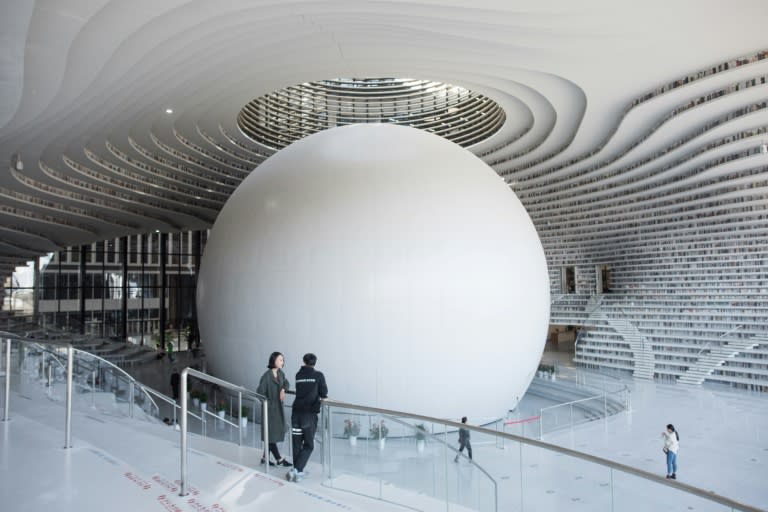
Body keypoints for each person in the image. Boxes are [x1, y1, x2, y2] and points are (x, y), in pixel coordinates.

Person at [286, 353, 328, 483]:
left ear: (304, 361)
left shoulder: (298, 375)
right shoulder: (318, 375)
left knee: (296, 443)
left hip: (296, 413)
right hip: (309, 415)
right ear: (315, 363)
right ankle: (297, 470)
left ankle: (297, 470)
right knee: (309, 444)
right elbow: (324, 393)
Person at [256, 351, 292, 467]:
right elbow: (259, 393)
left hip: (278, 409)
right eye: (280, 360)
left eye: (283, 360)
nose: (282, 362)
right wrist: (268, 403)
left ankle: (264, 457)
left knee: (271, 434)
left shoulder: (280, 373)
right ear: (274, 361)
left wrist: (283, 390)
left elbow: (286, 383)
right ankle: (279, 459)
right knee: (270, 435)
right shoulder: (266, 376)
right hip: (269, 411)